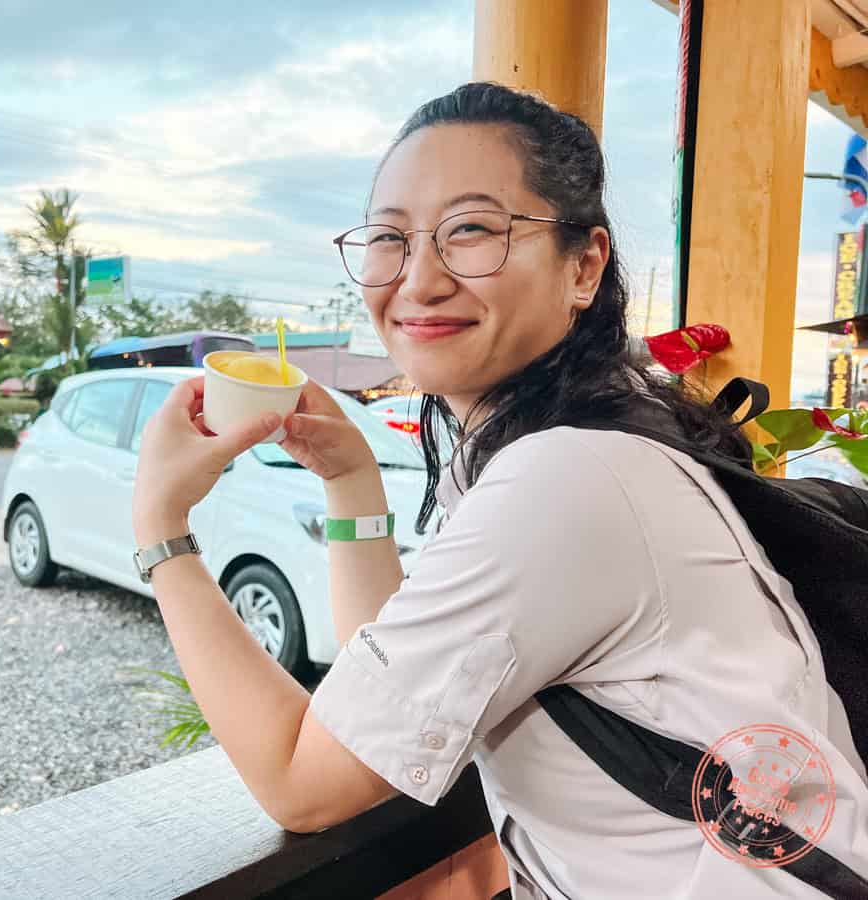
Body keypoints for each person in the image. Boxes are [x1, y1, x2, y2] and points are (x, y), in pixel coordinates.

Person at [131, 82, 868, 898]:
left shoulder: (564, 481)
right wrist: (352, 486)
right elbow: (393, 692)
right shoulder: (574, 442)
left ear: (584, 265)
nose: (419, 280)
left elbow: (303, 785)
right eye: (389, 238)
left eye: (472, 230)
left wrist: (162, 527)